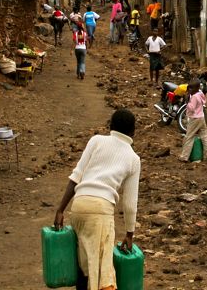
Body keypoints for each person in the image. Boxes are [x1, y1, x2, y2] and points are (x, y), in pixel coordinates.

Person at [53, 109, 141, 290]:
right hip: (100, 213)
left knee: (84, 266)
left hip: (79, 206)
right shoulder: (133, 159)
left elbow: (76, 177)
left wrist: (61, 209)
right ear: (133, 132)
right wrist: (130, 234)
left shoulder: (96, 141)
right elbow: (130, 204)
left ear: (111, 126)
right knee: (102, 273)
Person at [179, 78, 207, 162]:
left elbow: (191, 108)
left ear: (195, 88)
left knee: (189, 137)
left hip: (195, 119)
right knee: (204, 136)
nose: (189, 90)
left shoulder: (194, 97)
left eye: (191, 88)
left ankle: (184, 156)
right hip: (201, 117)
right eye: (189, 88)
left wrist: (187, 101)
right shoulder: (200, 93)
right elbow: (204, 101)